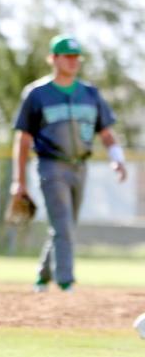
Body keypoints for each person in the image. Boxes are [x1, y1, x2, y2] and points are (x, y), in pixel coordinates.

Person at [11, 34, 127, 292]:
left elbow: (106, 132)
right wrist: (18, 180)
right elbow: (23, 139)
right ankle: (65, 282)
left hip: (80, 166)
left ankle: (43, 276)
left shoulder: (89, 93)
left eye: (77, 57)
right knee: (63, 224)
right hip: (51, 166)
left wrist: (117, 159)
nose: (73, 62)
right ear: (53, 59)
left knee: (65, 226)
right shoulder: (37, 94)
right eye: (68, 57)